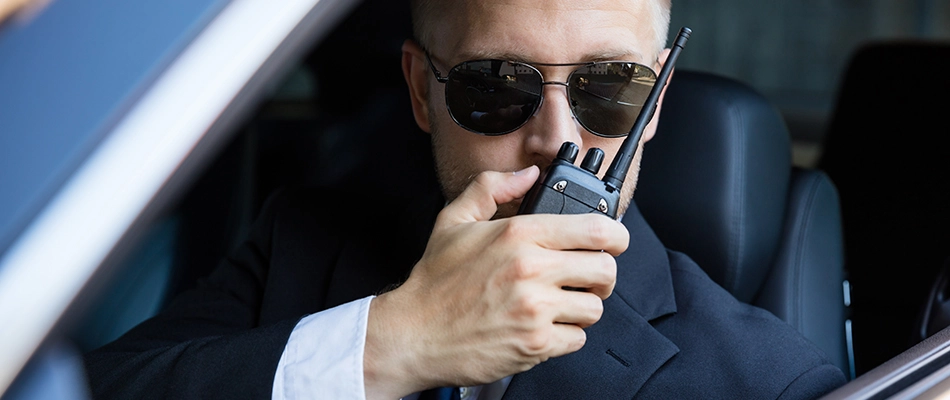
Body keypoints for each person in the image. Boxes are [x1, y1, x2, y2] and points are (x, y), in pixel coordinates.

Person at [85, 0, 848, 398]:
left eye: (609, 89)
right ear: (422, 90)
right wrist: (387, 346)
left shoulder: (771, 381)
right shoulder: (305, 241)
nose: (556, 138)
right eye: (496, 87)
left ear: (657, 100)